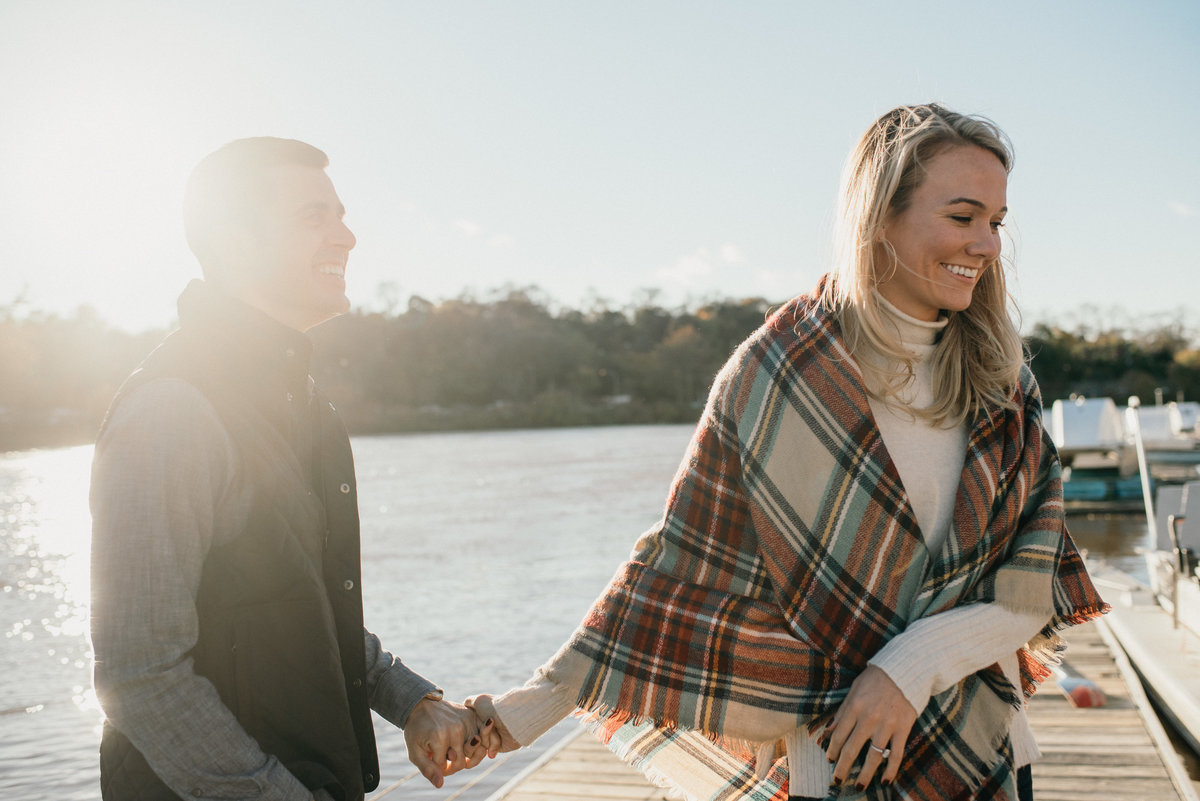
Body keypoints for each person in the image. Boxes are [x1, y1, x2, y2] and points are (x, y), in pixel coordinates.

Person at [467, 104, 1109, 801]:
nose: (986, 245)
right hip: (828, 765)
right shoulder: (779, 373)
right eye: (963, 217)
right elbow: (676, 567)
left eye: (997, 221)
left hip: (983, 753)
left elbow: (1026, 588)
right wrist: (512, 718)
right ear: (879, 217)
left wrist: (905, 668)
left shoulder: (1004, 383)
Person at [90, 137, 490, 801]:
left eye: (341, 213)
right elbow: (141, 674)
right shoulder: (171, 411)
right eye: (315, 217)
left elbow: (304, 607)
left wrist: (414, 701)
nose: (348, 237)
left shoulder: (303, 405)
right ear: (234, 239)